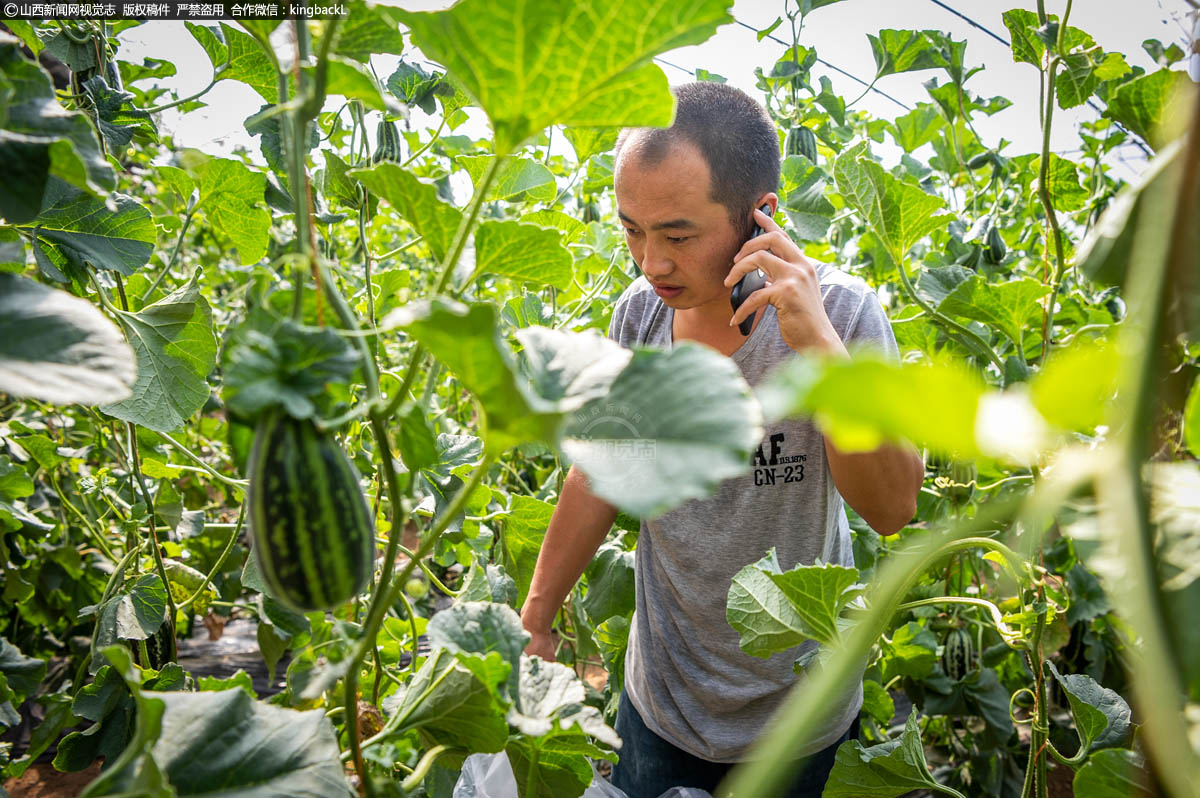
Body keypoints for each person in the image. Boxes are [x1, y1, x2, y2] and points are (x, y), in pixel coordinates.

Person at [521, 82, 924, 798]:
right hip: (661, 707)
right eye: (631, 231)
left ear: (760, 216)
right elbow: (599, 473)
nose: (651, 262)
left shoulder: (844, 314)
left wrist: (822, 357)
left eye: (677, 235)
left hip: (798, 717)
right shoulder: (640, 318)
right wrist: (538, 616)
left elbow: (892, 508)